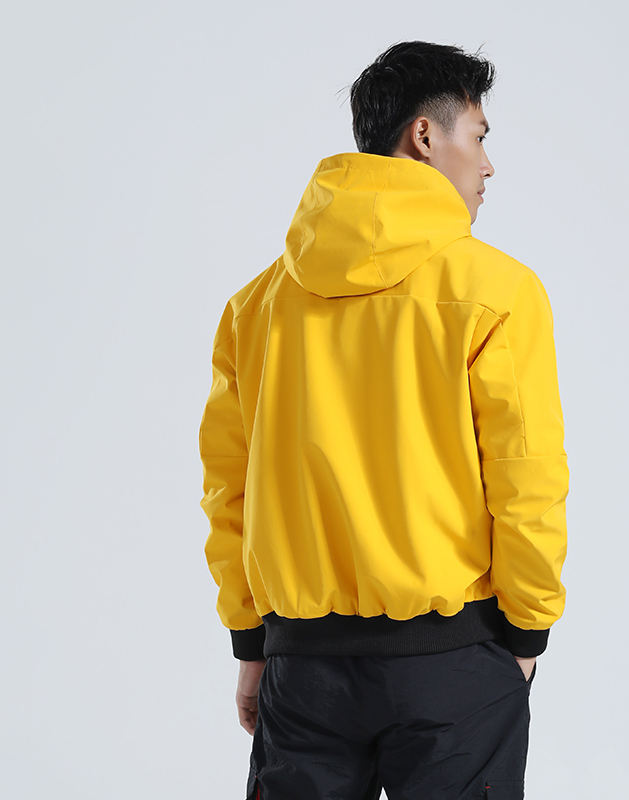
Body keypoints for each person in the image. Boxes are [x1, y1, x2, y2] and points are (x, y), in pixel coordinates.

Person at [199, 39, 569, 800]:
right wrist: (526, 634)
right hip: (455, 666)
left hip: (302, 671)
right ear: (425, 136)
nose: (489, 165)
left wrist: (253, 643)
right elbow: (526, 478)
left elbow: (227, 489)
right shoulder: (497, 291)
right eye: (479, 137)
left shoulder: (256, 306)